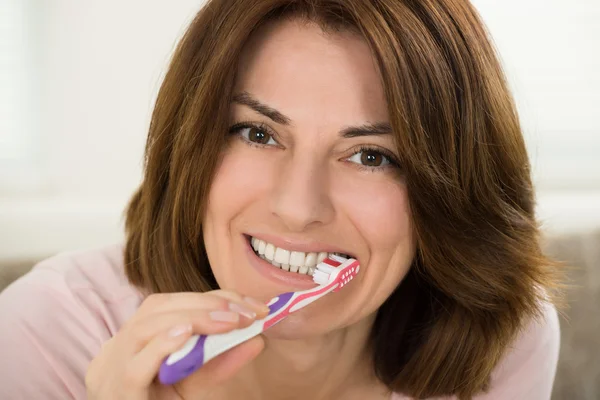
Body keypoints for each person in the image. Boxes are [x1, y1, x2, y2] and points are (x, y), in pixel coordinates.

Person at [0, 0, 565, 399]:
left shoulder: (501, 341)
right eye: (258, 133)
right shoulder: (43, 335)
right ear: (190, 142)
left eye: (371, 156)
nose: (298, 208)